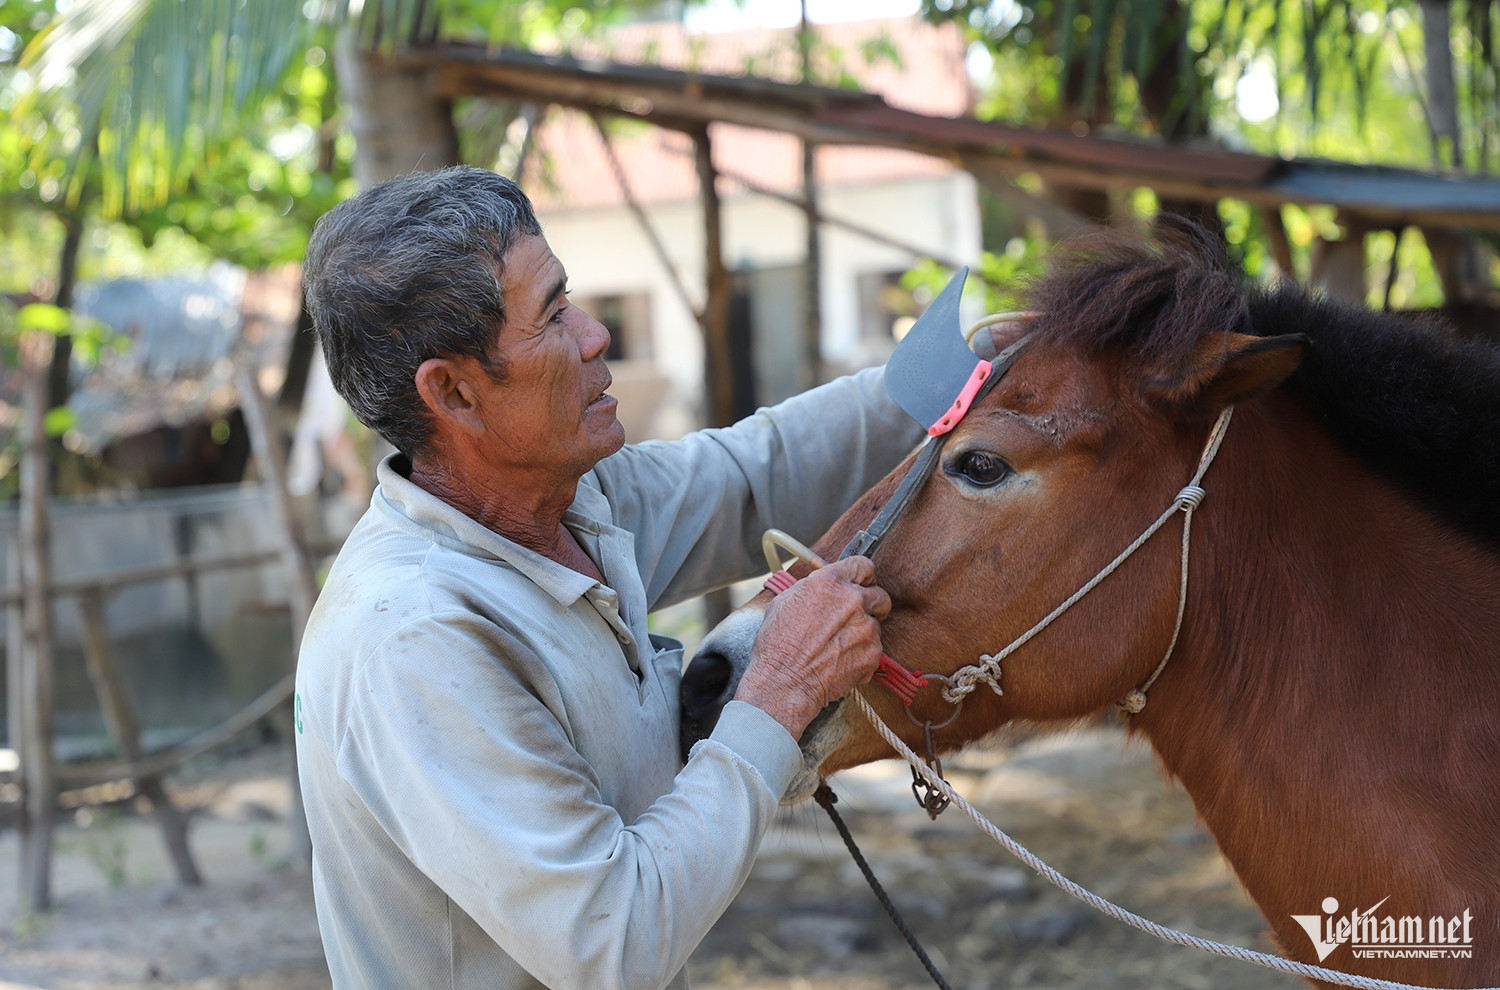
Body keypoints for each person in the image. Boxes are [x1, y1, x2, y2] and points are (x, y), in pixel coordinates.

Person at [293, 165, 925, 990]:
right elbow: (611, 942)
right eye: (552, 316)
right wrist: (780, 693)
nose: (596, 336)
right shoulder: (415, 640)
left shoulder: (567, 504)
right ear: (453, 392)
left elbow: (752, 475)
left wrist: (973, 364)